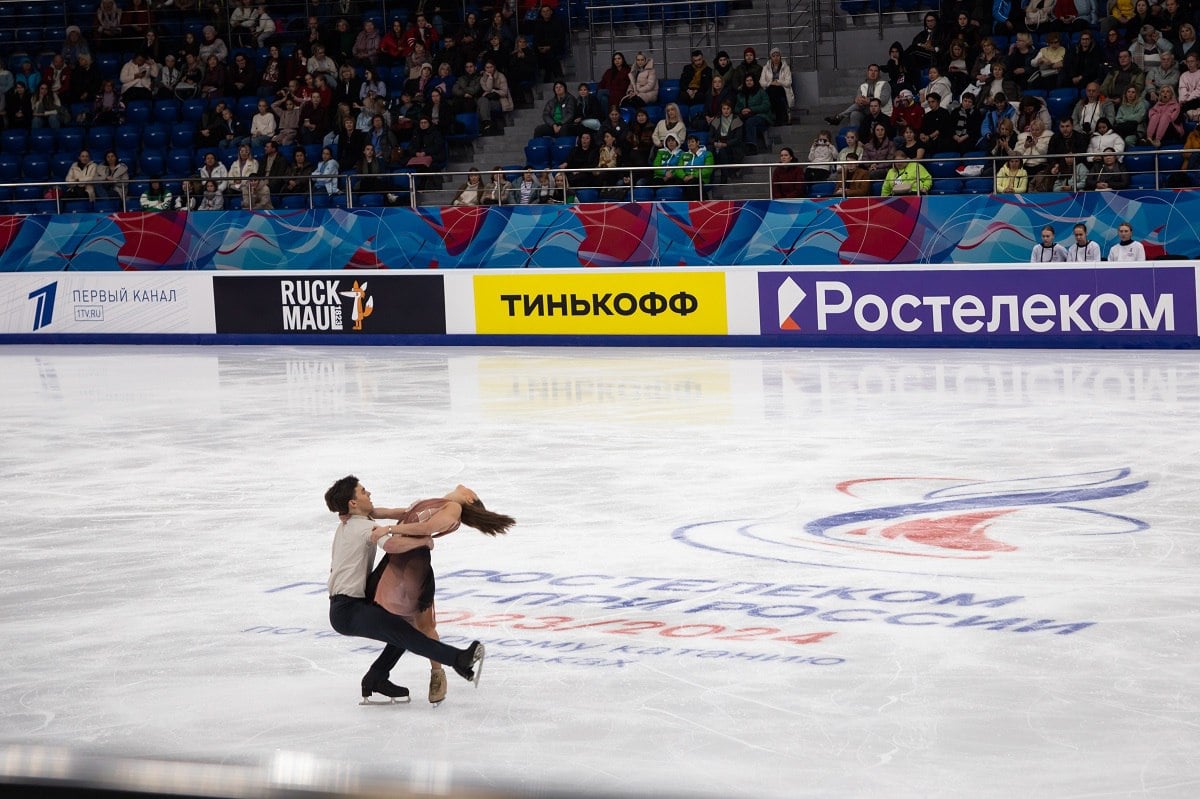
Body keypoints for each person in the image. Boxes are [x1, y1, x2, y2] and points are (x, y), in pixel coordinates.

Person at [324, 476, 487, 703]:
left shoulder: (352, 522)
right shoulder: (364, 527)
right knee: (408, 635)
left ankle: (376, 677)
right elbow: (392, 545)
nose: (368, 493)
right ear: (353, 503)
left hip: (352, 604)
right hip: (348, 610)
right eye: (362, 491)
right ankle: (459, 659)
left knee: (405, 625)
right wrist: (424, 542)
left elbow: (394, 513)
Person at [826, 63, 892, 130]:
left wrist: (868, 100)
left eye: (875, 71)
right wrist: (857, 100)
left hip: (880, 112)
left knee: (859, 106)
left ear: (879, 73)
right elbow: (858, 99)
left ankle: (839, 117)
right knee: (854, 114)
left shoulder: (885, 84)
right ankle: (854, 137)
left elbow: (883, 101)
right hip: (865, 111)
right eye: (871, 70)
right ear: (867, 72)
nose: (873, 73)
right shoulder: (863, 86)